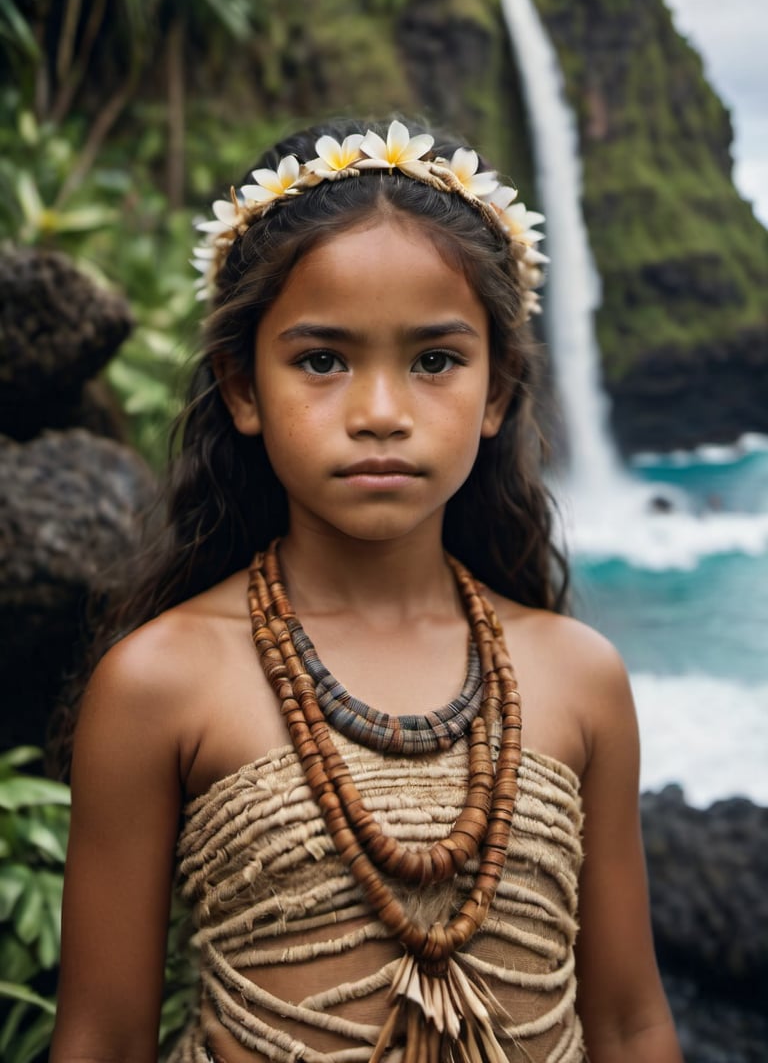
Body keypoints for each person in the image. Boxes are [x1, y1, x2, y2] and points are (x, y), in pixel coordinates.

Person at [50, 118, 682, 1063]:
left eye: (435, 361)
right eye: (322, 360)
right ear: (242, 387)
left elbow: (630, 1022)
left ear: (500, 389)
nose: (380, 414)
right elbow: (101, 1037)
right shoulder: (160, 683)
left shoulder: (578, 677)